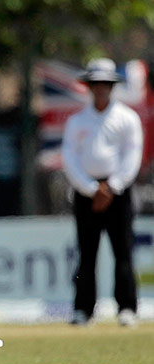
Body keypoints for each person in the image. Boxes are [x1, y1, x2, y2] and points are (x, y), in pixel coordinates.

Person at [61, 58, 144, 328]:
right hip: (87, 191)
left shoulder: (126, 118)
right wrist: (90, 188)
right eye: (96, 84)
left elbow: (132, 155)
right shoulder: (77, 121)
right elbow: (69, 158)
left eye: (105, 84)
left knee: (123, 251)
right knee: (87, 253)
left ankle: (127, 308)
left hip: (117, 191)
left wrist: (113, 186)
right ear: (88, 86)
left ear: (112, 86)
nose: (100, 89)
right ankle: (83, 310)